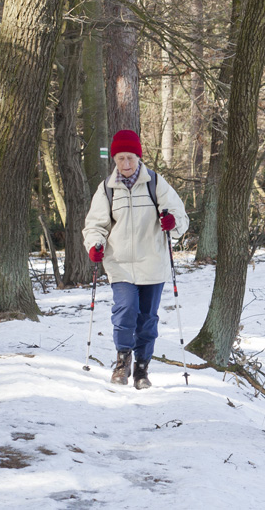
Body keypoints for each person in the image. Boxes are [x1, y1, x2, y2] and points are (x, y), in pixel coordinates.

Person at [82, 129, 189, 390]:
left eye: (130, 158)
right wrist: (94, 245)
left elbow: (180, 218)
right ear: (115, 160)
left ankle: (142, 368)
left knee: (147, 319)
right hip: (120, 263)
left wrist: (172, 222)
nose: (126, 164)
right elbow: (95, 225)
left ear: (138, 158)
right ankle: (122, 362)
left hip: (152, 261)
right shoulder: (107, 189)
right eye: (121, 159)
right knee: (125, 311)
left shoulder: (155, 182)